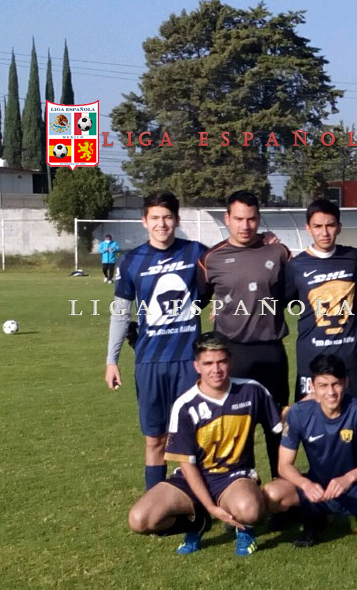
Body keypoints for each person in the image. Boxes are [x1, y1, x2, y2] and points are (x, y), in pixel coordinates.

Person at [127, 333, 285, 556]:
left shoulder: (251, 390)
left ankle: (244, 529)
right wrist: (210, 508)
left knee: (249, 510)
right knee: (140, 520)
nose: (216, 369)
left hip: (233, 477)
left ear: (230, 361)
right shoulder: (185, 405)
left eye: (221, 361)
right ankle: (197, 522)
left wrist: (311, 405)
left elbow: (280, 425)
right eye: (208, 363)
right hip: (191, 478)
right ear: (197, 366)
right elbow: (187, 464)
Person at [105, 191, 207, 491]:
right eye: (155, 218)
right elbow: (120, 313)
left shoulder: (197, 253)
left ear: (177, 220)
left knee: (195, 436)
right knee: (155, 439)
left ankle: (199, 501)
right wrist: (112, 360)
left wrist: (266, 240)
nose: (161, 224)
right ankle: (156, 501)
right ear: (144, 221)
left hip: (189, 361)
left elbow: (230, 265)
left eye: (167, 217)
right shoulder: (131, 261)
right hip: (150, 362)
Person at [267, 354, 357, 557]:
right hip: (319, 488)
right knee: (272, 493)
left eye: (336, 384)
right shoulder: (298, 413)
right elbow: (284, 465)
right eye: (323, 385)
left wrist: (349, 478)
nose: (330, 392)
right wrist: (306, 484)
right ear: (312, 387)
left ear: (346, 382)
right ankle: (315, 518)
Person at [197, 190, 291, 480]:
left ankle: (280, 491)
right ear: (227, 218)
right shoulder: (210, 259)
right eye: (238, 219)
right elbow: (194, 303)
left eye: (251, 219)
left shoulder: (279, 252)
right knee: (236, 427)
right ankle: (238, 486)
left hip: (271, 351)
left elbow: (294, 295)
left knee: (278, 425)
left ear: (259, 219)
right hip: (232, 354)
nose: (245, 226)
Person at [285, 199, 357, 401]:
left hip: (348, 358)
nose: (324, 232)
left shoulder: (355, 258)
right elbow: (283, 301)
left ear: (339, 227)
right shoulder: (295, 266)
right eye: (317, 226)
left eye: (330, 225)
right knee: (309, 416)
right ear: (308, 228)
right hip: (311, 358)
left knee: (353, 415)